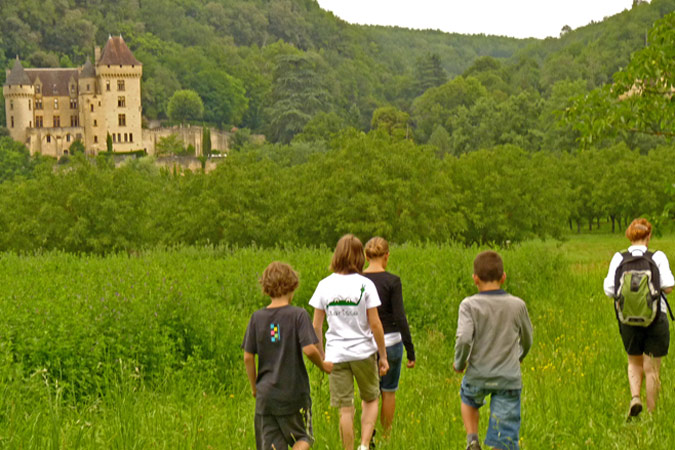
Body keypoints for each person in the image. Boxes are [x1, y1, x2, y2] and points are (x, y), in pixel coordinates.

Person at [310, 234, 389, 450]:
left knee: (345, 408)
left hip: (336, 355)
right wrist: (383, 355)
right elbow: (375, 324)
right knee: (371, 398)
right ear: (360, 257)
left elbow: (316, 325)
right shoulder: (366, 285)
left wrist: (322, 355)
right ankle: (364, 444)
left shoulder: (324, 285)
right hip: (363, 352)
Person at [242, 261, 333, 450]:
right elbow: (309, 349)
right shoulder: (298, 315)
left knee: (272, 445)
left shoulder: (256, 318)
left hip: (266, 395)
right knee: (303, 437)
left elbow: (248, 357)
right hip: (294, 393)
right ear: (292, 286)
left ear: (266, 288)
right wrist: (323, 365)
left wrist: (254, 388)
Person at [453, 250, 533, 450]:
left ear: (475, 279)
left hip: (478, 374)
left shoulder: (468, 305)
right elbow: (528, 338)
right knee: (504, 435)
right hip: (508, 376)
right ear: (503, 277)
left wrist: (459, 363)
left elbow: (463, 339)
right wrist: (520, 355)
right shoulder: (517, 305)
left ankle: (472, 439)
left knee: (468, 398)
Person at [603, 218, 674, 419]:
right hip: (655, 318)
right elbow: (668, 286)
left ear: (630, 236)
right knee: (652, 369)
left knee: (634, 362)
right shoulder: (658, 257)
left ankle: (635, 397)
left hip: (627, 320)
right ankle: (651, 416)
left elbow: (609, 289)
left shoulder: (619, 258)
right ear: (648, 236)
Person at [362, 236, 415, 437]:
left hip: (365, 343)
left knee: (369, 393)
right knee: (389, 390)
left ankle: (369, 434)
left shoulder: (359, 279)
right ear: (387, 256)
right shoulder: (393, 281)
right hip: (392, 342)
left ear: (366, 256)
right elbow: (400, 317)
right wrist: (410, 350)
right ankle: (386, 435)